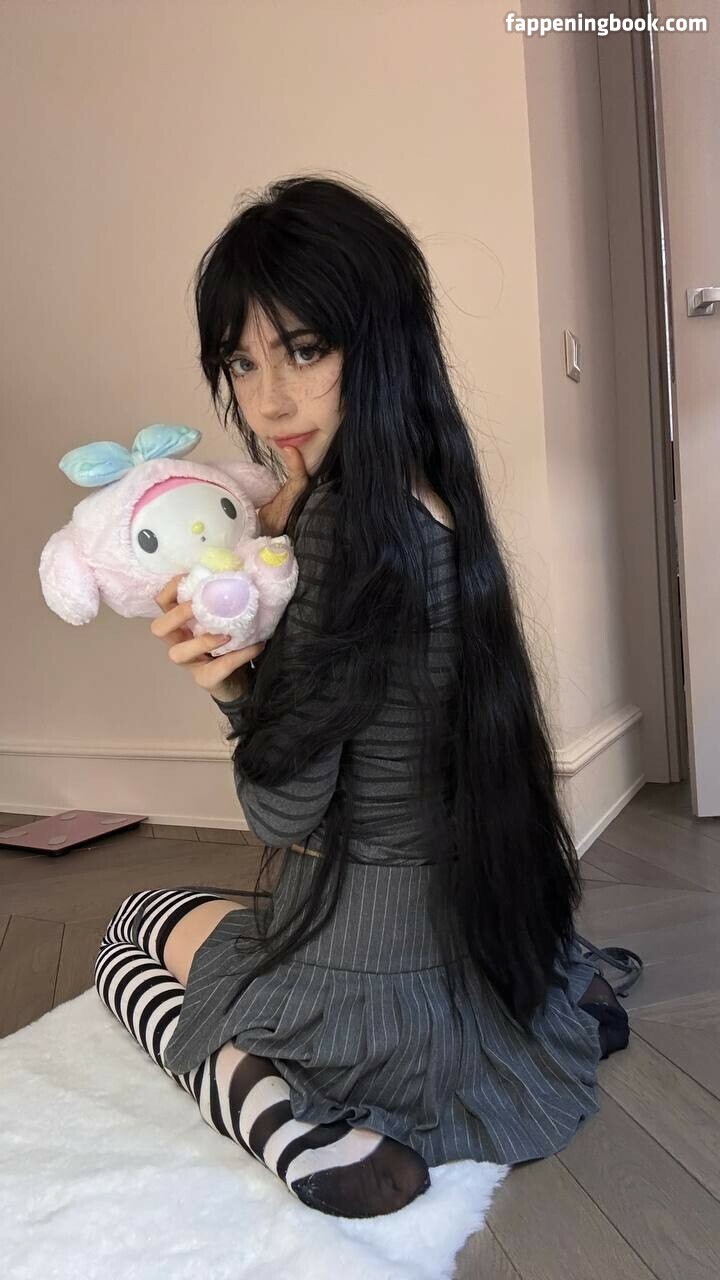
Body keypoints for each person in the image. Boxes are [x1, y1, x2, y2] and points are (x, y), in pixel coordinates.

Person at [94, 174, 628, 1221]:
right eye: (241, 362)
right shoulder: (432, 495)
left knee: (131, 925)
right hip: (474, 929)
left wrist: (234, 685)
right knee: (213, 919)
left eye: (304, 350)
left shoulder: (342, 530)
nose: (268, 402)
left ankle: (286, 1119)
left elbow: (283, 812)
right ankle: (559, 998)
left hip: (369, 967)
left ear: (381, 344)